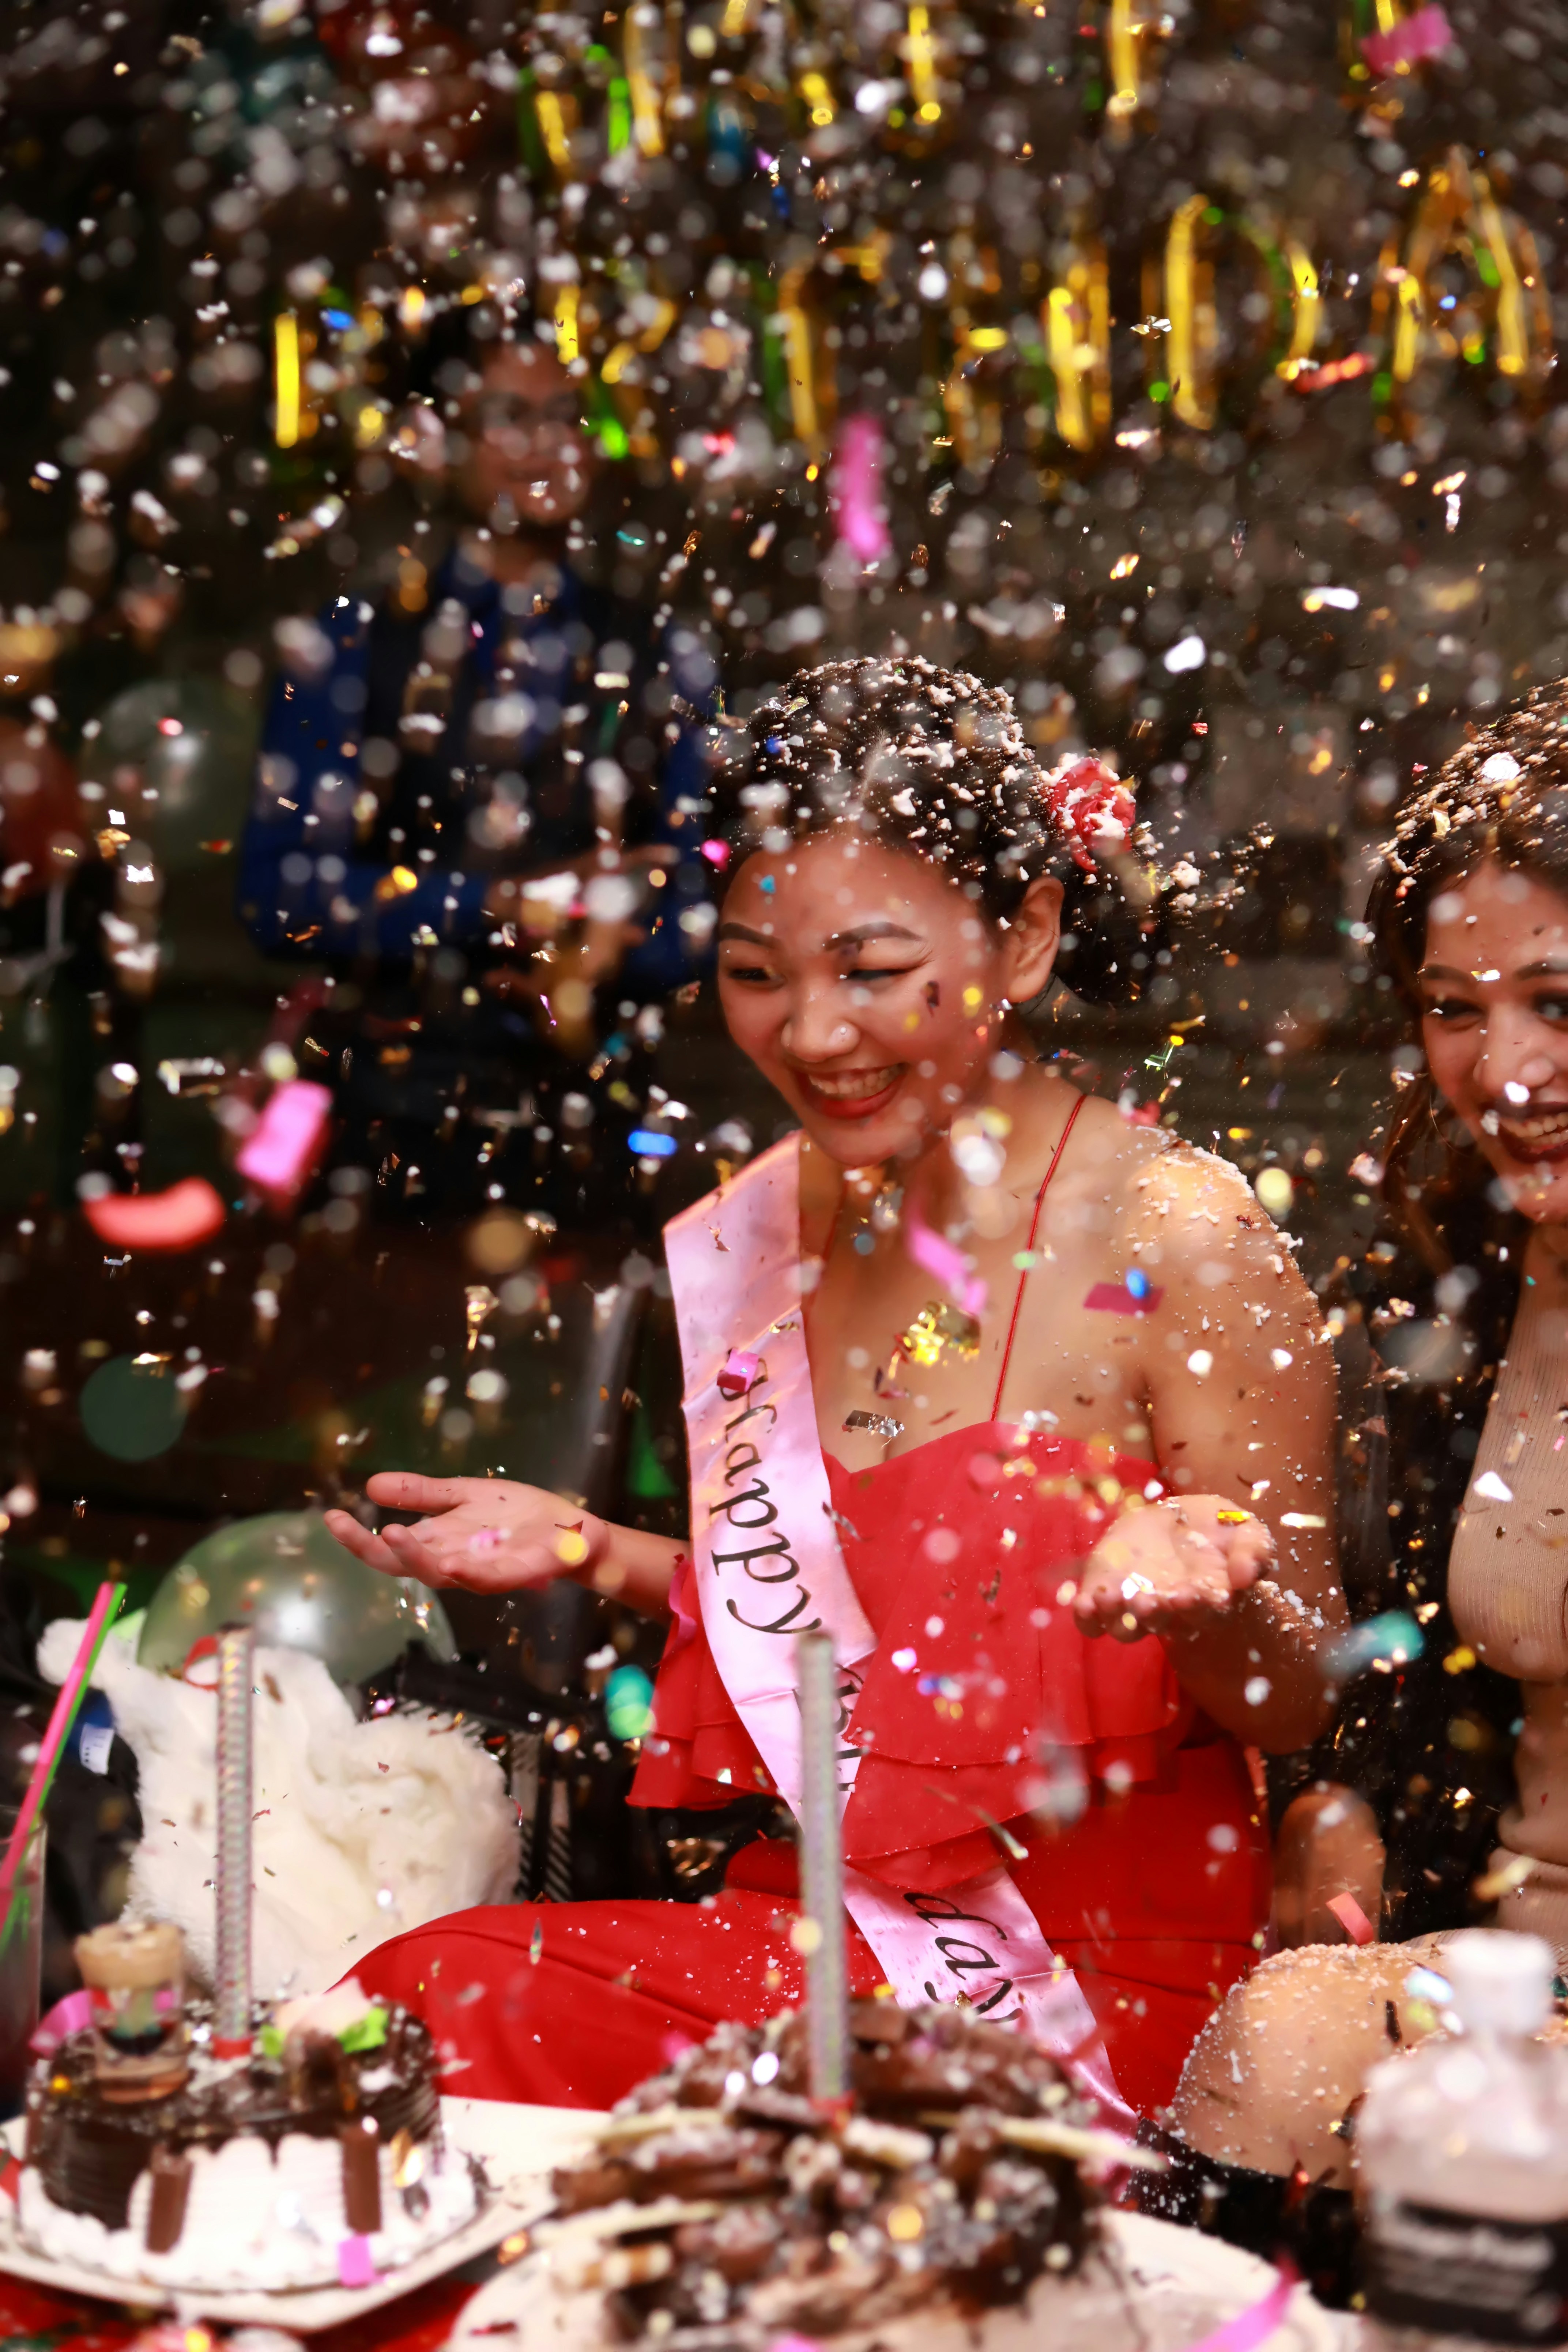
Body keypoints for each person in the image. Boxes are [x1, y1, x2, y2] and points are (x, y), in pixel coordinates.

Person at [325, 655, 1343, 2117]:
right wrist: (594, 1551)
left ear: (1029, 936)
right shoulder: (759, 1227)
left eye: (870, 971)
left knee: (435, 2012)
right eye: (756, 974)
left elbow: (1296, 1699)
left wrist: (1212, 1595)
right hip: (809, 1925)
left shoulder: (1181, 1235)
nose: (809, 1034)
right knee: (420, 2012)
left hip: (1083, 1976)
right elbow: (868, 1640)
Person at [1157, 684, 1568, 2220]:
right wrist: (1331, 1808)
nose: (1505, 1071)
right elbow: (1384, 1668)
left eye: (1556, 998)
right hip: (1503, 1969)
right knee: (1278, 2039)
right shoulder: (1443, 1299)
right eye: (1454, 1007)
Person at [237, 314, 700, 1214]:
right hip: (383, 1125)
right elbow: (280, 896)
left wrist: (610, 945)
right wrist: (493, 911)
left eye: (566, 416)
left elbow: (703, 907)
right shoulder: (355, 641)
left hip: (593, 1130)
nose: (547, 445)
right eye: (508, 415)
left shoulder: (659, 652)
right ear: (430, 440)